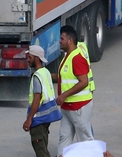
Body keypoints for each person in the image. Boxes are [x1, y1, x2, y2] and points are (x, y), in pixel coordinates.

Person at [56, 25, 94, 156]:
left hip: (78, 107)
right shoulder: (68, 56)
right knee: (64, 138)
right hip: (68, 107)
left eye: (62, 38)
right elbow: (65, 77)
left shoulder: (77, 58)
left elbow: (84, 82)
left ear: (70, 41)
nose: (59, 41)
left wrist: (64, 95)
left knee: (85, 140)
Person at [23, 45, 61, 157]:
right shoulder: (46, 72)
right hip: (46, 119)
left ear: (37, 58)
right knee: (43, 149)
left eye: (30, 57)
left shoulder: (37, 76)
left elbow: (36, 100)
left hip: (38, 120)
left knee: (41, 152)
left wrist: (29, 120)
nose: (28, 60)